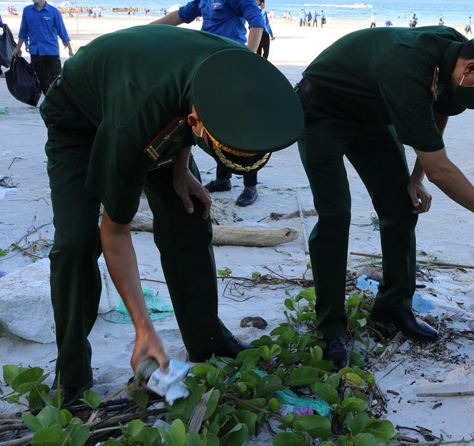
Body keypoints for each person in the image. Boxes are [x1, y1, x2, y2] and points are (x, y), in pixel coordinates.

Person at [40, 24, 303, 406]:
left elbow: (184, 113)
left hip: (153, 99)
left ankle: (206, 339)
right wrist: (144, 329)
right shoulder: (135, 124)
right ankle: (72, 375)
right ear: (197, 123)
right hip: (79, 117)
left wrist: (180, 168)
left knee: (190, 212)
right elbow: (115, 232)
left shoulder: (238, 70)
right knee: (75, 244)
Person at [295, 15, 474, 370]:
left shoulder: (454, 56)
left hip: (372, 114)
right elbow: (442, 171)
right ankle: (330, 329)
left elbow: (439, 111)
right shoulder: (405, 67)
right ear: (473, 69)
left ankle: (392, 308)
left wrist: (414, 178)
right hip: (321, 109)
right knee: (336, 214)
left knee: (402, 206)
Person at [153, 0, 267, 207]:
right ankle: (223, 178)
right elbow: (182, 15)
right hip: (207, 66)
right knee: (214, 123)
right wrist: (149, 29)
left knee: (240, 125)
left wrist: (248, 60)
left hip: (232, 65)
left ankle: (250, 185)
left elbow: (256, 23)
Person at [11, 0, 74, 99]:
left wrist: (69, 48)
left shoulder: (54, 12)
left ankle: (61, 102)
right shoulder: (27, 11)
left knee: (57, 80)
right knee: (43, 80)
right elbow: (23, 31)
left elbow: (62, 31)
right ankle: (50, 103)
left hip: (51, 51)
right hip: (35, 51)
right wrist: (17, 48)